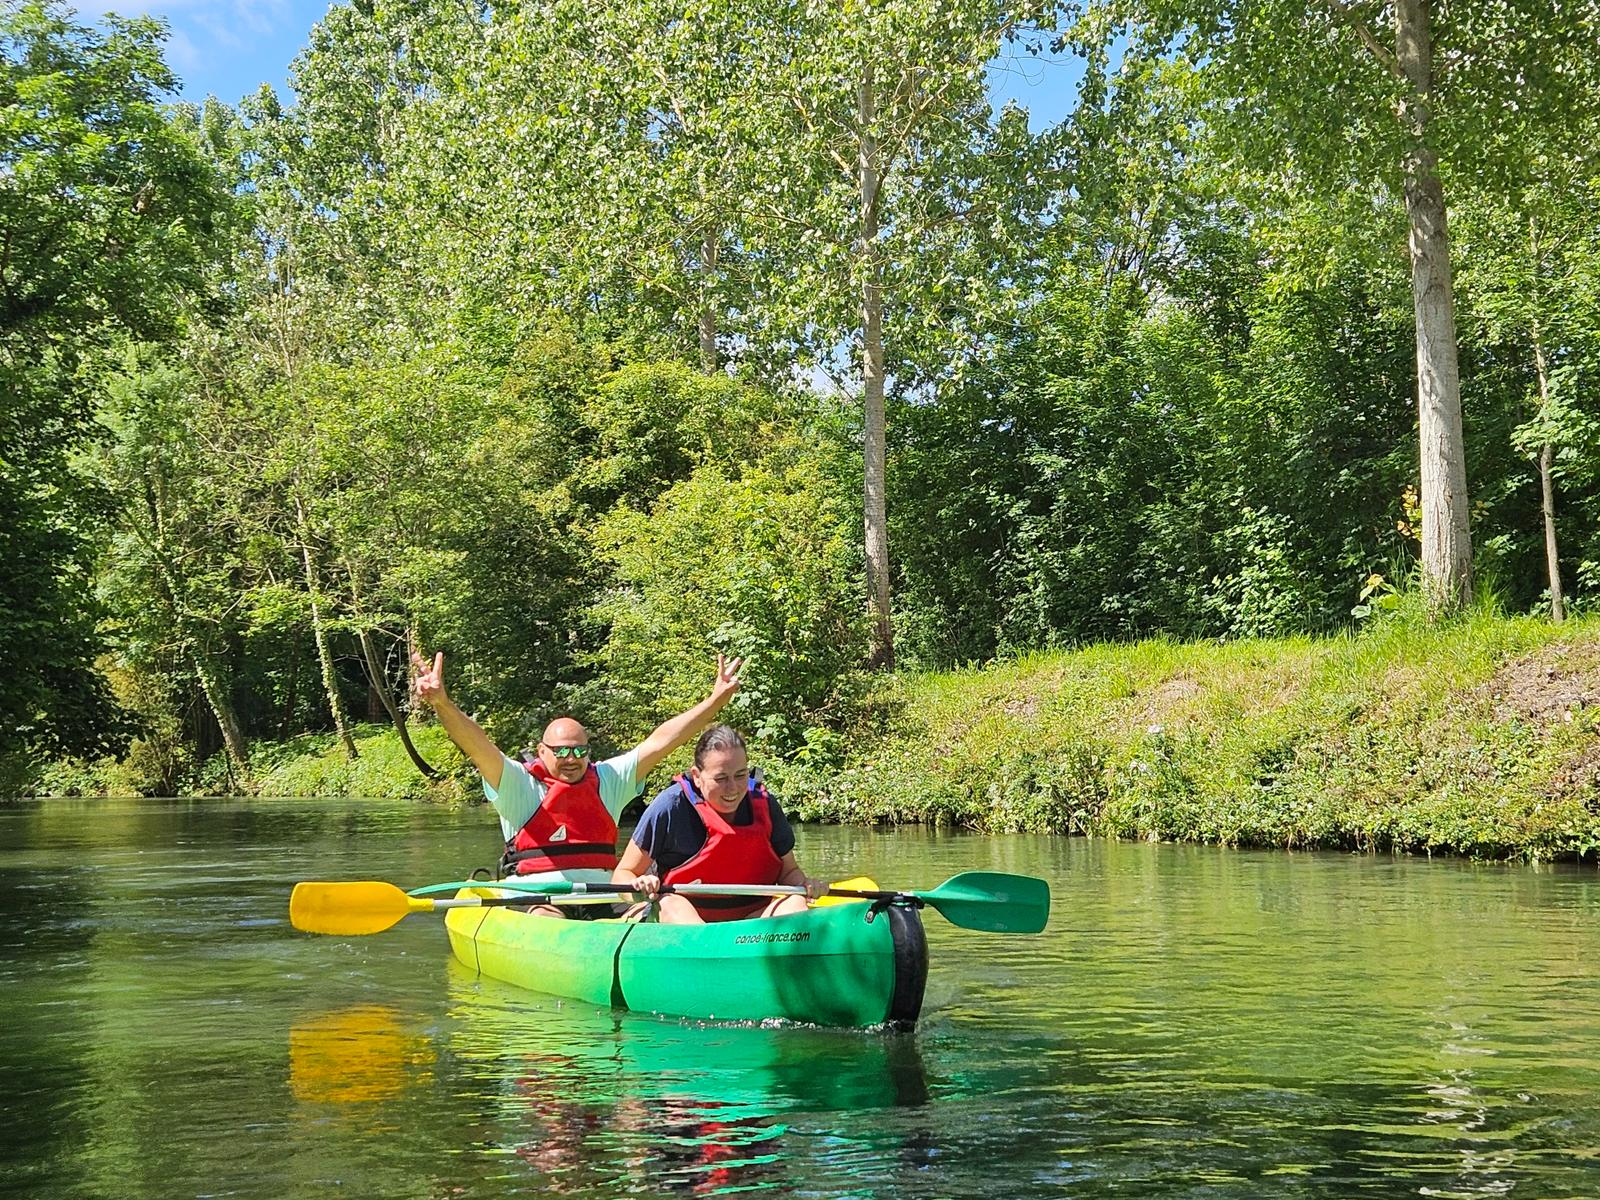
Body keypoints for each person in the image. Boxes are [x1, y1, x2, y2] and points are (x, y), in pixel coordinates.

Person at [410, 648, 744, 918]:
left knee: (647, 913)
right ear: (541, 751)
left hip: (602, 896)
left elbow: (661, 741)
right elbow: (476, 744)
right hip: (537, 898)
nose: (571, 759)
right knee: (547, 917)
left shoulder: (609, 780)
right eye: (561, 751)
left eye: (579, 751)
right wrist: (442, 703)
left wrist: (715, 701)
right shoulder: (517, 783)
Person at [612, 724, 822, 923]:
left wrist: (805, 886)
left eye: (740, 775)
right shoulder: (670, 806)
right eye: (721, 778)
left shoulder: (765, 805)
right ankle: (706, 947)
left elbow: (789, 872)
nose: (733, 788)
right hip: (682, 919)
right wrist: (638, 886)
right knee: (671, 903)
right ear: (697, 776)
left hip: (751, 925)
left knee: (795, 903)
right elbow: (623, 874)